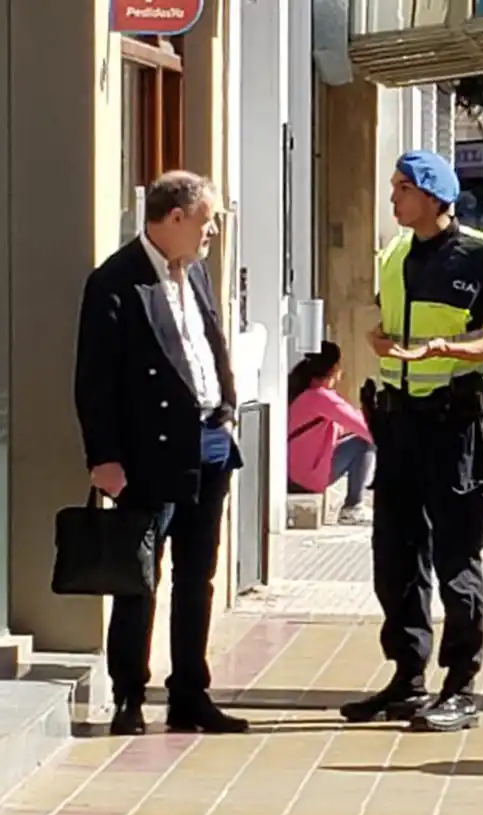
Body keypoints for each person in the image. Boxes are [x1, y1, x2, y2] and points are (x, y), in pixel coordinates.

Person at [339, 150, 483, 732]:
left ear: (433, 196)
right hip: (399, 423)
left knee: (456, 558)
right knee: (395, 555)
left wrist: (449, 351)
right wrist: (380, 338)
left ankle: (460, 685)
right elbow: (390, 324)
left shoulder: (478, 255)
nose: (392, 199)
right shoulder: (394, 255)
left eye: (402, 189)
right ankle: (407, 676)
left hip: (453, 425)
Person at [74, 170, 248, 736]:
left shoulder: (192, 274)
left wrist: (226, 407)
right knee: (139, 578)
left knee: (198, 576)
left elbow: (208, 344)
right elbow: (94, 381)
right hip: (149, 454)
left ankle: (189, 695)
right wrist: (104, 459)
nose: (213, 232)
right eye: (207, 220)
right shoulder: (116, 282)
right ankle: (129, 694)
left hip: (211, 444)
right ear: (175, 218)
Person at [286, 341, 376, 525]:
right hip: (306, 477)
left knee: (357, 441)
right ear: (334, 370)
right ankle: (353, 507)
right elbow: (366, 429)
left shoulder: (303, 392)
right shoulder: (322, 397)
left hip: (293, 474)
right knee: (363, 444)